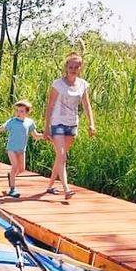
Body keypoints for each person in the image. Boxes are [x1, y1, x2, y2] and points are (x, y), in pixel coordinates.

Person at [44, 52, 95, 199]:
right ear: (66, 67)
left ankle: (50, 186)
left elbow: (86, 105)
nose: (73, 69)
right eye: (70, 67)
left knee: (60, 158)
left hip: (72, 123)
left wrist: (91, 123)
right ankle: (66, 189)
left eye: (76, 67)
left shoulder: (83, 84)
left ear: (80, 68)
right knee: (62, 156)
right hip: (57, 122)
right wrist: (47, 127)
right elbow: (50, 106)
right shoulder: (57, 84)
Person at [0, 99, 45, 198]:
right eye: (17, 111)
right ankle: (12, 189)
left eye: (21, 111)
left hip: (21, 150)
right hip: (11, 148)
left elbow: (36, 136)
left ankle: (11, 176)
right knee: (14, 166)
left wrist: (46, 136)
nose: (18, 113)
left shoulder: (30, 122)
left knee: (22, 169)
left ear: (27, 112)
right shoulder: (12, 121)